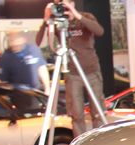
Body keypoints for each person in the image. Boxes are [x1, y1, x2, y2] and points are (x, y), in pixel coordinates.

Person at [37, 0, 105, 137]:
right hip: (72, 74)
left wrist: (75, 14)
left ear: (72, 3)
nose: (63, 8)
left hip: (91, 71)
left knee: (97, 112)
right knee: (76, 114)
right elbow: (39, 43)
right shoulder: (58, 23)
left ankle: (100, 142)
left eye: (65, 4)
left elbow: (99, 31)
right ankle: (80, 144)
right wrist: (46, 20)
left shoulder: (85, 17)